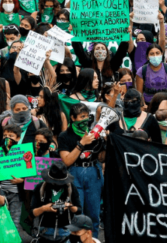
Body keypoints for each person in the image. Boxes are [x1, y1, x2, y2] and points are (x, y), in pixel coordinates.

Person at [58, 103, 104, 238]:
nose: (85, 119)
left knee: (94, 214)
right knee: (77, 213)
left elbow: (101, 158)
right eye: (81, 116)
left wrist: (104, 142)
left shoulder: (94, 132)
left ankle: (93, 239)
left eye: (86, 116)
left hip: (93, 172)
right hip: (74, 173)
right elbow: (66, 161)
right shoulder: (65, 136)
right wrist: (81, 144)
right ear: (72, 118)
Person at [31, 162, 82, 241]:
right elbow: (32, 213)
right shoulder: (40, 188)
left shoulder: (70, 188)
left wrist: (69, 206)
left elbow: (79, 210)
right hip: (44, 230)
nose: (57, 185)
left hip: (65, 230)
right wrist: (44, 208)